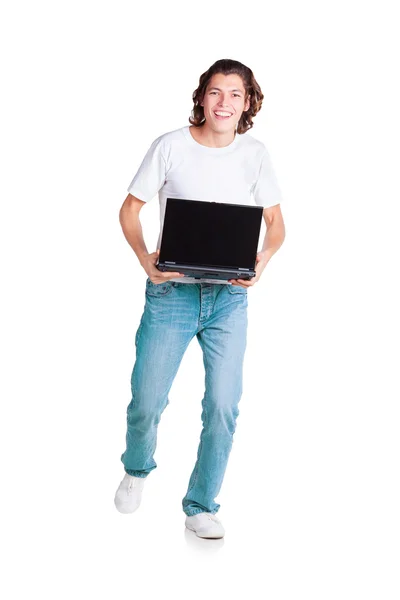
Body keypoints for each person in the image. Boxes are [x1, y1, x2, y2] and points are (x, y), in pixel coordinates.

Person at [114, 58, 286, 539]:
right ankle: (136, 467)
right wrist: (144, 260)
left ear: (248, 102)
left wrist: (261, 263)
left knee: (224, 405)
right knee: (147, 399)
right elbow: (130, 209)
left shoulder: (255, 154)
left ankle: (201, 504)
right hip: (172, 294)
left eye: (235, 94)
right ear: (202, 98)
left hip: (229, 299)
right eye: (215, 92)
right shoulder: (170, 146)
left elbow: (276, 225)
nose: (224, 102)